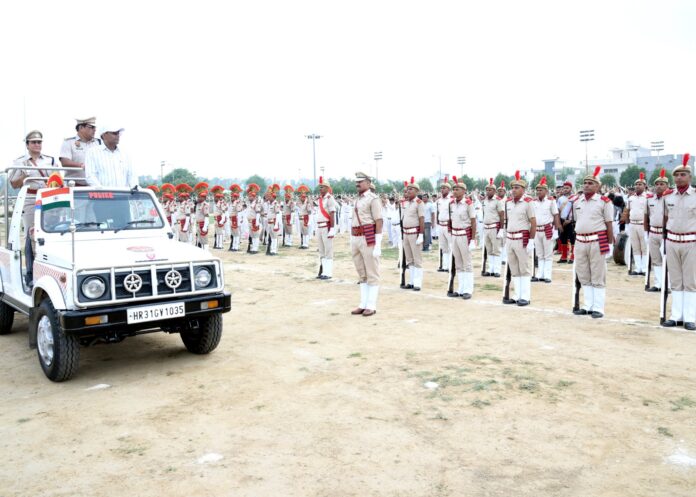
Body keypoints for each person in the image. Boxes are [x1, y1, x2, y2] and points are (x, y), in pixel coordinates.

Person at [9, 131, 55, 286]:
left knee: (52, 233)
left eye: (39, 142)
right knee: (31, 234)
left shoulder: (50, 160)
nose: (37, 145)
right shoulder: (20, 162)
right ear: (27, 144)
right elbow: (14, 184)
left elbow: (59, 178)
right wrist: (25, 175)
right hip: (30, 198)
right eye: (34, 142)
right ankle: (30, 273)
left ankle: (48, 270)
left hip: (49, 197)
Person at [572, 167, 614, 318]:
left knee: (597, 274)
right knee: (583, 273)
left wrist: (610, 243)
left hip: (597, 240)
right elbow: (578, 221)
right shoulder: (578, 201)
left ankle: (598, 307)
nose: (587, 185)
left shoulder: (604, 201)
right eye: (585, 183)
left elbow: (609, 223)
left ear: (597, 186)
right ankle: (587, 305)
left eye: (590, 183)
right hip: (580, 240)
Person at [662, 154, 696, 330]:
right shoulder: (668, 196)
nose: (679, 177)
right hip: (672, 240)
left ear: (690, 177)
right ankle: (676, 316)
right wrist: (663, 241)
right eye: (676, 175)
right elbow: (665, 220)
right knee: (675, 280)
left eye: (683, 174)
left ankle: (690, 317)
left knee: (690, 281)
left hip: (691, 241)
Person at [350, 172, 383, 317]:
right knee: (361, 273)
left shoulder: (373, 199)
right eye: (357, 182)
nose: (358, 184)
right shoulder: (358, 199)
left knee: (371, 272)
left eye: (361, 182)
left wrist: (378, 243)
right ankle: (363, 304)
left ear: (369, 183)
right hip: (356, 237)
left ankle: (371, 305)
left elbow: (379, 221)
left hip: (368, 237)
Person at [503, 171, 536, 306]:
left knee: (524, 268)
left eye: (517, 188)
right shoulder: (508, 203)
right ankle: (517, 296)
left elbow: (533, 222)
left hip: (522, 238)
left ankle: (525, 297)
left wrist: (531, 240)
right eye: (513, 187)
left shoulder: (528, 202)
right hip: (510, 238)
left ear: (523, 190)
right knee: (514, 268)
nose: (513, 190)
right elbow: (507, 221)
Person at [448, 177, 477, 299]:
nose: (454, 191)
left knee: (467, 263)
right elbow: (450, 220)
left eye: (457, 189)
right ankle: (460, 289)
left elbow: (473, 222)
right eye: (454, 189)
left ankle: (468, 289)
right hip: (455, 235)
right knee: (458, 263)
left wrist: (472, 239)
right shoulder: (451, 204)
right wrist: (450, 233)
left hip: (465, 235)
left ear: (464, 191)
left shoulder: (468, 203)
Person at [84, 124, 135, 188]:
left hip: (123, 195)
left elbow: (132, 176)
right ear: (104, 135)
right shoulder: (92, 152)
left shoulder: (125, 154)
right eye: (114, 133)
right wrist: (102, 192)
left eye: (118, 133)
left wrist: (134, 190)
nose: (118, 136)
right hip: (102, 196)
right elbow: (90, 176)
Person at [644, 169, 671, 292]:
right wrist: (646, 233)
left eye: (662, 184)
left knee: (669, 260)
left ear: (667, 185)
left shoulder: (671, 198)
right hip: (653, 232)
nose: (659, 186)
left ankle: (669, 285)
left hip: (667, 234)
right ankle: (658, 284)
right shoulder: (650, 199)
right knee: (656, 260)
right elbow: (646, 216)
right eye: (657, 184)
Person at [532, 177, 561, 283]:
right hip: (537, 230)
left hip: (547, 229)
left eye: (541, 190)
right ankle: (540, 274)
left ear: (546, 191)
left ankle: (547, 275)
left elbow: (556, 215)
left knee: (548, 254)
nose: (538, 192)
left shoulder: (551, 201)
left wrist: (556, 230)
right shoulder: (533, 202)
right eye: (537, 190)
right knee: (539, 254)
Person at [59, 117, 101, 185]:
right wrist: (81, 165)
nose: (95, 130)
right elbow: (65, 162)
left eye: (95, 128)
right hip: (75, 185)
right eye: (91, 127)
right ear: (81, 128)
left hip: (95, 185)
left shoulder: (99, 143)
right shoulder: (68, 142)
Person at [400, 179, 425, 291]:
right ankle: (411, 281)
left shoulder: (419, 203)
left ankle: (417, 282)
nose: (408, 191)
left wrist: (421, 234)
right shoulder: (406, 202)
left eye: (411, 189)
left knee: (417, 259)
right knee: (409, 259)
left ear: (416, 191)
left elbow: (421, 219)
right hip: (406, 233)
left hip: (414, 233)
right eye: (407, 189)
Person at [623, 173, 649, 275]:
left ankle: (645, 268)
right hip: (633, 224)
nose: (637, 186)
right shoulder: (631, 198)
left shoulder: (648, 197)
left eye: (640, 184)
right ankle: (638, 268)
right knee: (635, 246)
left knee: (644, 247)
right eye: (636, 184)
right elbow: (627, 211)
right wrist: (626, 224)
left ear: (645, 186)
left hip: (643, 225)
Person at [481, 178, 505, 277]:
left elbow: (502, 215)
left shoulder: (498, 201)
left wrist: (501, 229)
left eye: (490, 190)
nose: (488, 191)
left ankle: (497, 270)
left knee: (496, 249)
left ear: (494, 191)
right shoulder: (485, 201)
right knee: (489, 249)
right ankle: (490, 269)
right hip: (486, 227)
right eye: (487, 189)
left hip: (495, 227)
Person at [316, 177, 337, 278]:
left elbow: (332, 213)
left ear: (327, 188)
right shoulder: (320, 199)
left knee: (328, 250)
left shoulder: (330, 198)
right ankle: (323, 272)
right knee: (321, 251)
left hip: (326, 226)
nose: (320, 189)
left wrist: (332, 229)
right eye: (320, 187)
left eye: (322, 187)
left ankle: (328, 273)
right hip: (319, 227)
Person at [436, 177, 453, 272]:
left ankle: (451, 266)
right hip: (441, 225)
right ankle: (445, 266)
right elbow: (438, 212)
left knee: (451, 246)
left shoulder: (451, 200)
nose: (442, 189)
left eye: (444, 188)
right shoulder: (439, 201)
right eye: (441, 188)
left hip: (448, 225)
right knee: (443, 247)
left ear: (449, 189)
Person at [245, 183, 262, 253]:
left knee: (256, 235)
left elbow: (258, 213)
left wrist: (257, 222)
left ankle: (256, 248)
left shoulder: (257, 203)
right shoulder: (250, 203)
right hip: (249, 221)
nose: (249, 197)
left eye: (251, 196)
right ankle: (253, 248)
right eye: (249, 196)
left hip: (254, 221)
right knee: (252, 235)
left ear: (254, 197)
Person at [228, 184, 244, 251]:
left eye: (233, 197)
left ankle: (236, 246)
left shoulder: (237, 203)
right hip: (231, 219)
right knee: (233, 234)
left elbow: (239, 211)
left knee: (236, 234)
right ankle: (234, 246)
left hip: (236, 219)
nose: (232, 198)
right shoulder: (231, 203)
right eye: (231, 197)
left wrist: (239, 221)